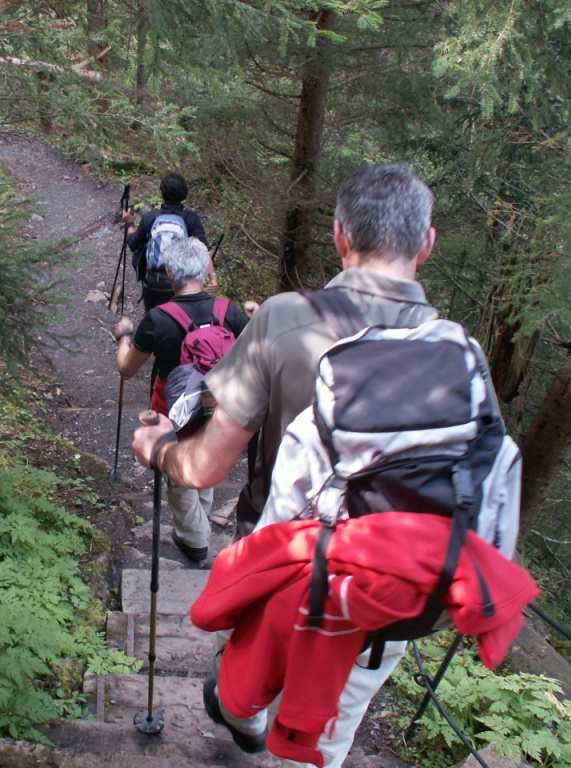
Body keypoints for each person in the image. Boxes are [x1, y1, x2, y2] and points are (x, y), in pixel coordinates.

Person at [131, 164, 446, 766]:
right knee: (330, 731)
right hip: (392, 591)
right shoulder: (456, 352)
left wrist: (160, 449)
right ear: (426, 244)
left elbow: (204, 469)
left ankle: (244, 718)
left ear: (338, 236)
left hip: (284, 556)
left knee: (244, 675)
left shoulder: (282, 319)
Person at [114, 237, 249, 563]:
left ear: (169, 273)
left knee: (177, 468)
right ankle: (200, 519)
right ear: (204, 271)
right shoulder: (229, 311)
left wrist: (124, 337)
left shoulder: (158, 319)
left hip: (172, 410)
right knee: (207, 451)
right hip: (218, 406)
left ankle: (194, 540)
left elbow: (126, 369)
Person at [121, 172, 215, 309]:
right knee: (180, 316)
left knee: (154, 316)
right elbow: (203, 250)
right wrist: (213, 277)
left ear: (162, 192)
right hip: (181, 281)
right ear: (184, 194)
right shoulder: (191, 219)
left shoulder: (150, 217)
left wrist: (129, 224)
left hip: (153, 283)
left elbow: (133, 244)